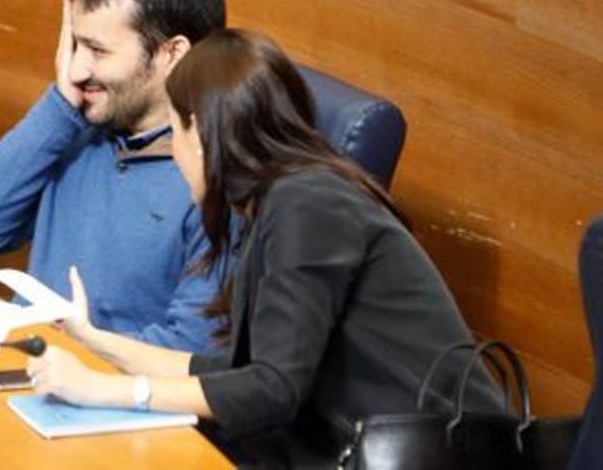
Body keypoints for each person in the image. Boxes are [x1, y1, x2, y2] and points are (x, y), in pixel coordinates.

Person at [26, 29, 503, 466]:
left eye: (176, 131)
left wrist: (107, 391)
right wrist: (93, 340)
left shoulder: (307, 205)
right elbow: (237, 372)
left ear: (201, 134)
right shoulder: (279, 203)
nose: (173, 152)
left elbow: (272, 390)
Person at [0, 0, 227, 351]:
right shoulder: (77, 127)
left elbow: (190, 353)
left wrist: (71, 354)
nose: (75, 69)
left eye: (96, 49)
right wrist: (61, 107)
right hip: (32, 371)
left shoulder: (214, 179)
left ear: (172, 54)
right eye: (74, 44)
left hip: (113, 399)